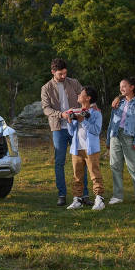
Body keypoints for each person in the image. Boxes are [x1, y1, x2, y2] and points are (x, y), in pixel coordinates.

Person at [41, 58, 89, 207]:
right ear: (53, 72)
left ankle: (84, 195)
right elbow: (46, 109)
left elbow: (85, 98)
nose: (63, 76)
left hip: (75, 126)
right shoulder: (46, 88)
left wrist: (87, 108)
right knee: (59, 162)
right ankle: (61, 194)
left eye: (65, 73)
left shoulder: (73, 83)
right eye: (60, 74)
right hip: (58, 128)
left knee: (81, 160)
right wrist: (61, 114)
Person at [106, 77, 135, 206]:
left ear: (132, 87)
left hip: (129, 136)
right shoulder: (118, 102)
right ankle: (117, 196)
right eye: (120, 86)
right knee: (115, 165)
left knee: (133, 166)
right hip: (115, 135)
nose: (121, 88)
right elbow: (111, 121)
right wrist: (108, 139)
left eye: (124, 86)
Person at [64, 86, 105, 210]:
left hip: (91, 149)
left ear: (88, 98)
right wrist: (70, 121)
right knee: (77, 175)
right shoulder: (77, 112)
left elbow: (96, 130)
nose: (78, 96)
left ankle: (99, 199)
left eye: (81, 94)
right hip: (77, 149)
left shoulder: (96, 113)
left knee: (95, 174)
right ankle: (77, 199)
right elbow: (71, 133)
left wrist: (84, 121)